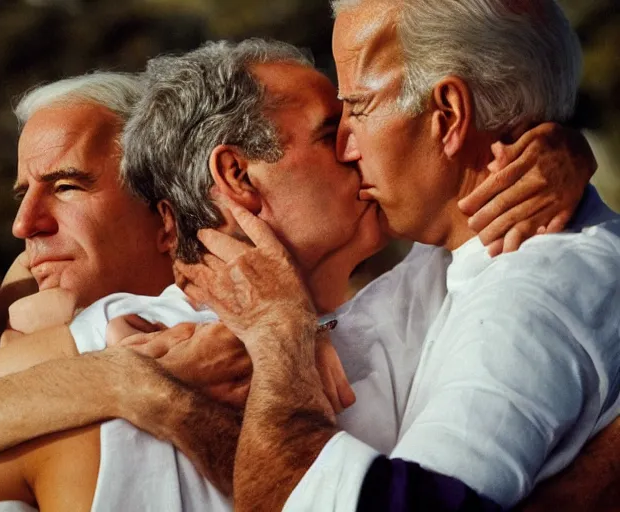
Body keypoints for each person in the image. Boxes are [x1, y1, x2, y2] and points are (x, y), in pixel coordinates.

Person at [0, 40, 606, 512]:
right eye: (335, 134)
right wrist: (132, 383)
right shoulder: (116, 343)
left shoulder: (413, 292)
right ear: (237, 176)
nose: (361, 148)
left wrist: (558, 147)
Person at [172, 2, 620, 511]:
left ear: (448, 115)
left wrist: (279, 334)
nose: (345, 146)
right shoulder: (450, 259)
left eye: (358, 107)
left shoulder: (528, 296)